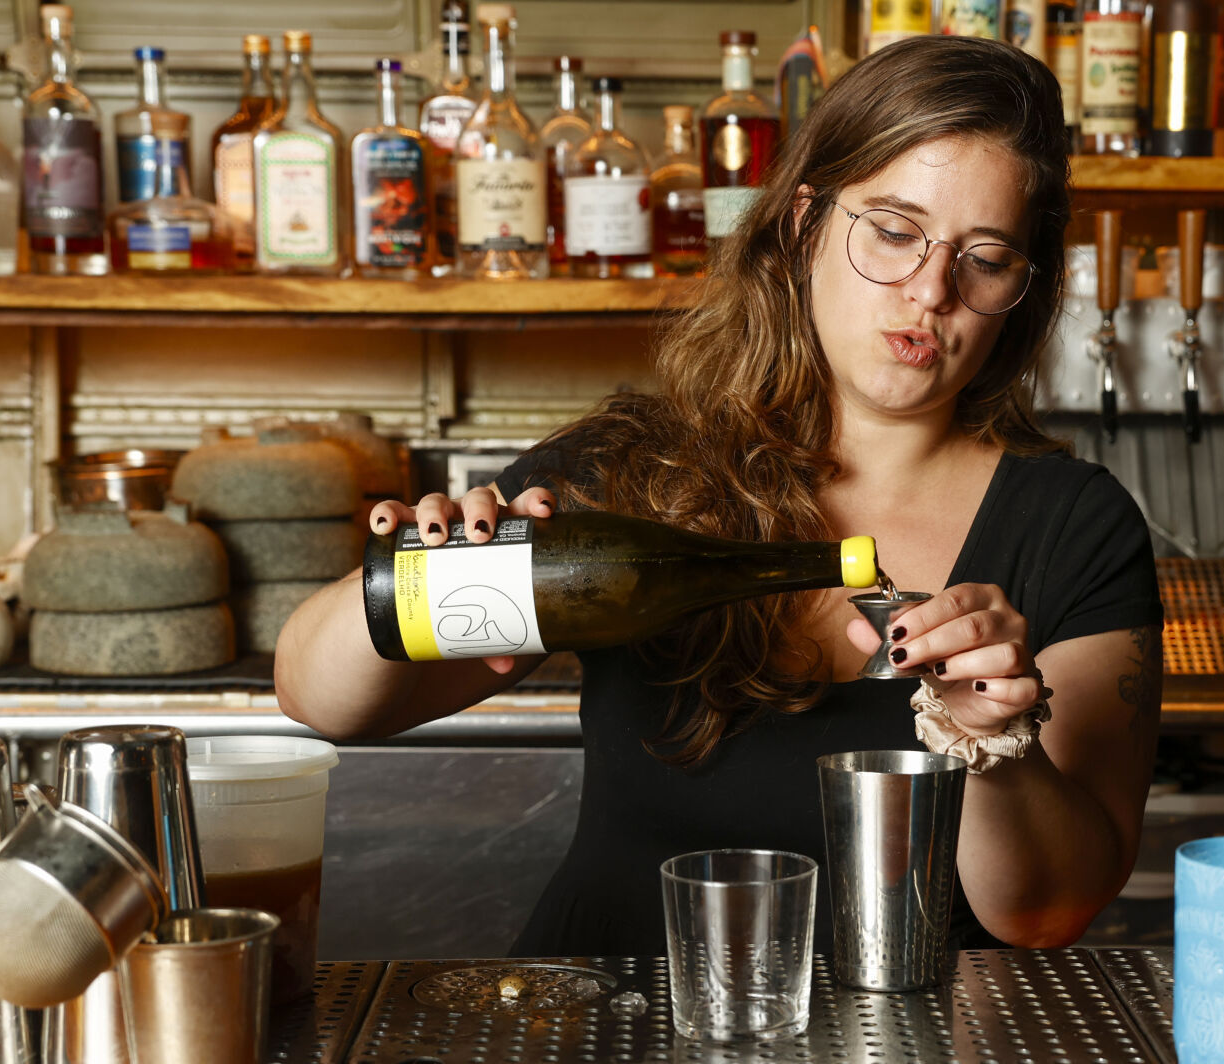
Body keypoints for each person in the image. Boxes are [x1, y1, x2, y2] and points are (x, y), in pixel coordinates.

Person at [275, 35, 1163, 958]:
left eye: (983, 257)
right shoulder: (635, 473)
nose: (929, 289)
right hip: (615, 1041)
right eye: (894, 231)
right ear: (805, 222)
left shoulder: (1073, 523)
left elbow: (1049, 912)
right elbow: (318, 695)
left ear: (1023, 287)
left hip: (905, 1063)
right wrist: (421, 573)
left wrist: (992, 746)